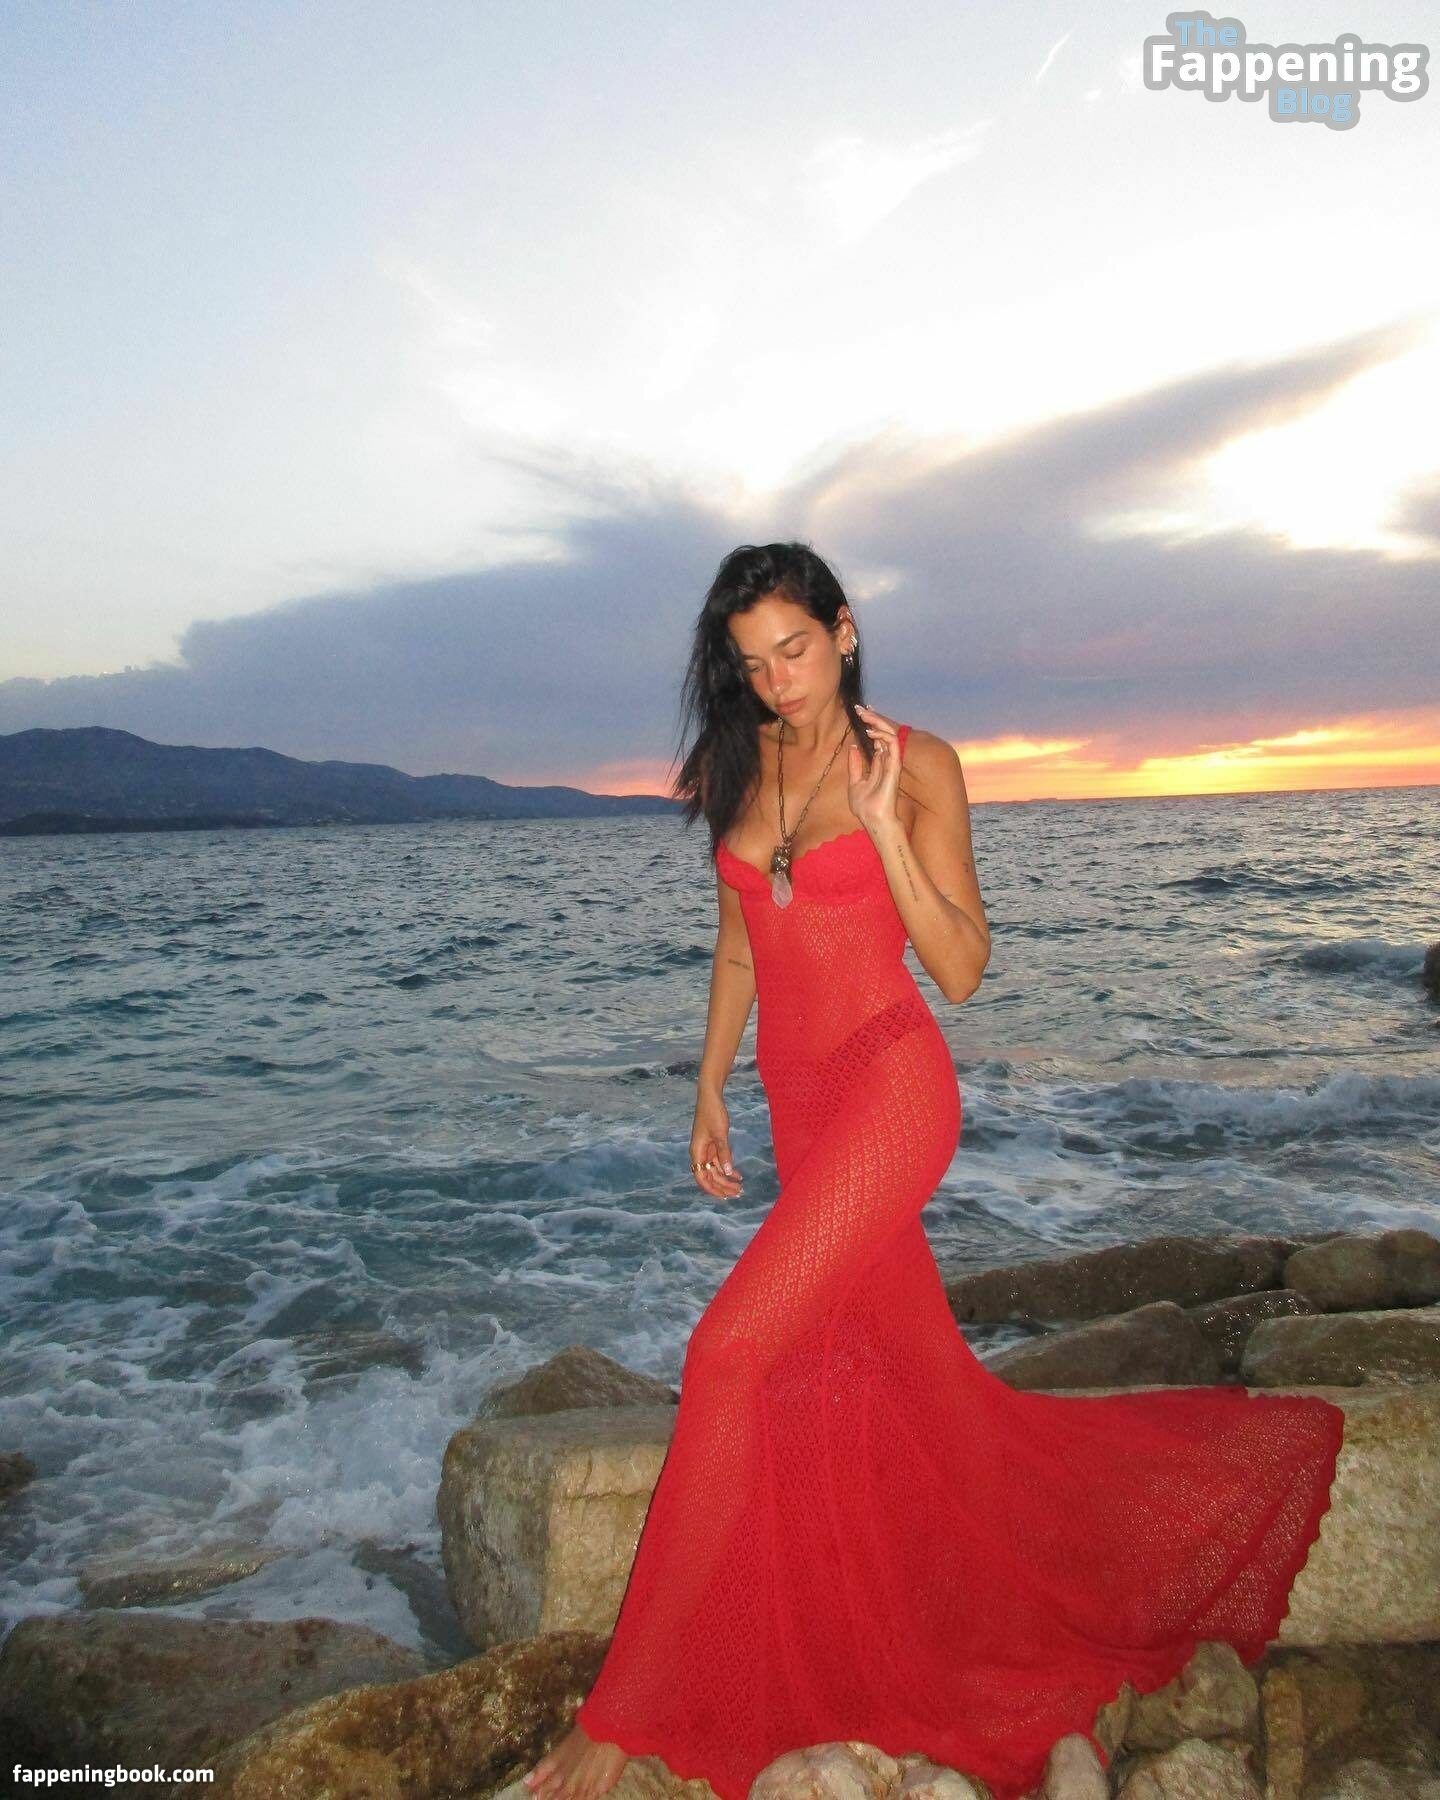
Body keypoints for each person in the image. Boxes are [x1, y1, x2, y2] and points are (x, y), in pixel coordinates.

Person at [522, 542, 1345, 1800]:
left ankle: (622, 1715)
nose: (779, 680)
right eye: (752, 663)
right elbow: (741, 941)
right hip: (797, 1107)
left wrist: (882, 830)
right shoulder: (743, 759)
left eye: (796, 650)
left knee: (729, 1353)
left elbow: (961, 968)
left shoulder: (920, 763)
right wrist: (708, 1084)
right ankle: (897, 1625)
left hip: (892, 1087)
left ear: (845, 631)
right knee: (885, 1380)